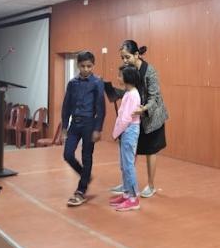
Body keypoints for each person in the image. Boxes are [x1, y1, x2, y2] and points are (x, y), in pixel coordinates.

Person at [111, 40, 169, 198]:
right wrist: (114, 92)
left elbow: (154, 97)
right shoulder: (128, 70)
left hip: (152, 117)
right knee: (131, 151)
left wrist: (144, 109)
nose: (125, 61)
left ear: (136, 54)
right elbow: (129, 91)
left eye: (127, 57)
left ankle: (151, 185)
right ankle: (127, 183)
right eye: (122, 58)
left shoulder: (150, 71)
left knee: (151, 150)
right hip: (136, 118)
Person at [61, 51, 106, 207]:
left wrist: (97, 129)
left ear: (93, 65)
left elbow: (101, 108)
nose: (86, 69)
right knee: (67, 154)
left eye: (89, 66)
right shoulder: (72, 83)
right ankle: (85, 175)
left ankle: (81, 190)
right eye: (83, 66)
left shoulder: (97, 83)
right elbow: (66, 106)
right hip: (75, 124)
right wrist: (64, 126)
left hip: (89, 124)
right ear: (77, 65)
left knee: (87, 156)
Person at [109, 65, 142, 211]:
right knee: (124, 165)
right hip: (125, 131)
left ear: (128, 77)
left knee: (128, 165)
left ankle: (134, 198)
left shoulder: (133, 95)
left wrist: (116, 132)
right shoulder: (129, 93)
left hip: (129, 131)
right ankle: (126, 194)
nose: (118, 78)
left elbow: (126, 118)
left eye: (120, 75)